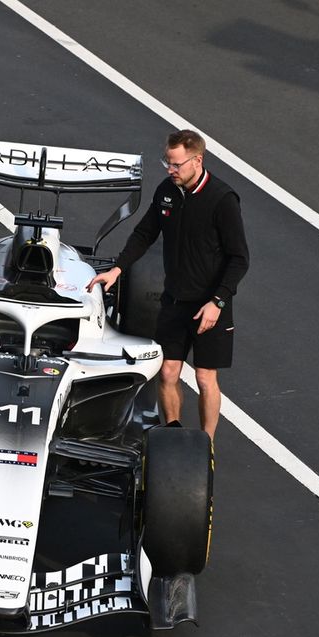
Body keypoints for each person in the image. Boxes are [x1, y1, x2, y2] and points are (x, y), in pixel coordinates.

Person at [86, 130, 249, 441]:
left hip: (210, 306)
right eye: (167, 163)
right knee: (168, 371)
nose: (170, 170)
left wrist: (218, 302)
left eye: (176, 164)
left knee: (205, 377)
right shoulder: (166, 191)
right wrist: (117, 269)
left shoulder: (222, 200)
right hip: (174, 301)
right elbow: (144, 233)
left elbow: (239, 259)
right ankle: (172, 438)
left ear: (197, 160)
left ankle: (206, 447)